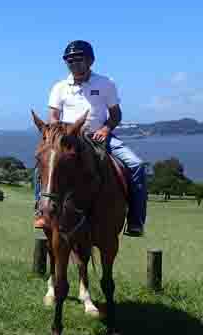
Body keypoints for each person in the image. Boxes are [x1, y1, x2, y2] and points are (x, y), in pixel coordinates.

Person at [34, 40, 146, 236]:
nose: (74, 63)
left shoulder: (105, 83)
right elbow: (53, 117)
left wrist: (105, 129)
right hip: (68, 140)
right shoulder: (59, 87)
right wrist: (57, 135)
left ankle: (136, 220)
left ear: (90, 61)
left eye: (79, 59)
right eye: (69, 60)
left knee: (136, 165)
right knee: (41, 167)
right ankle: (42, 212)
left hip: (99, 136)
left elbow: (115, 114)